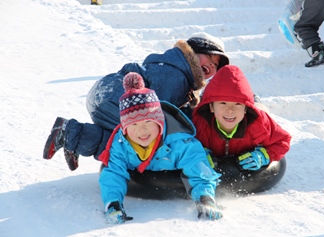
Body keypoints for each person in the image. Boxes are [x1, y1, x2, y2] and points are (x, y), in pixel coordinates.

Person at [43, 32, 230, 171]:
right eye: (209, 57)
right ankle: (70, 134)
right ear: (193, 51)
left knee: (123, 139)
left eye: (215, 66)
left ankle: (75, 137)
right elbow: (160, 114)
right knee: (141, 142)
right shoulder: (177, 75)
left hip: (105, 94)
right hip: (115, 95)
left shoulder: (176, 70)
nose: (211, 66)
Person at [98, 72, 223, 223]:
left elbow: (198, 167)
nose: (142, 131)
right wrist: (113, 203)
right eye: (134, 125)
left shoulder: (179, 143)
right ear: (124, 129)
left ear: (159, 123)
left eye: (148, 123)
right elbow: (114, 173)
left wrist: (205, 198)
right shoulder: (121, 145)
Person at [191, 65, 292, 194]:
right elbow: (181, 144)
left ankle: (254, 100)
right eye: (223, 103)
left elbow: (283, 140)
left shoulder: (259, 123)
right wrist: (198, 153)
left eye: (238, 104)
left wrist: (264, 155)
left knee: (261, 110)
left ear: (246, 109)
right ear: (211, 107)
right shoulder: (199, 124)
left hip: (256, 112)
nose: (230, 110)